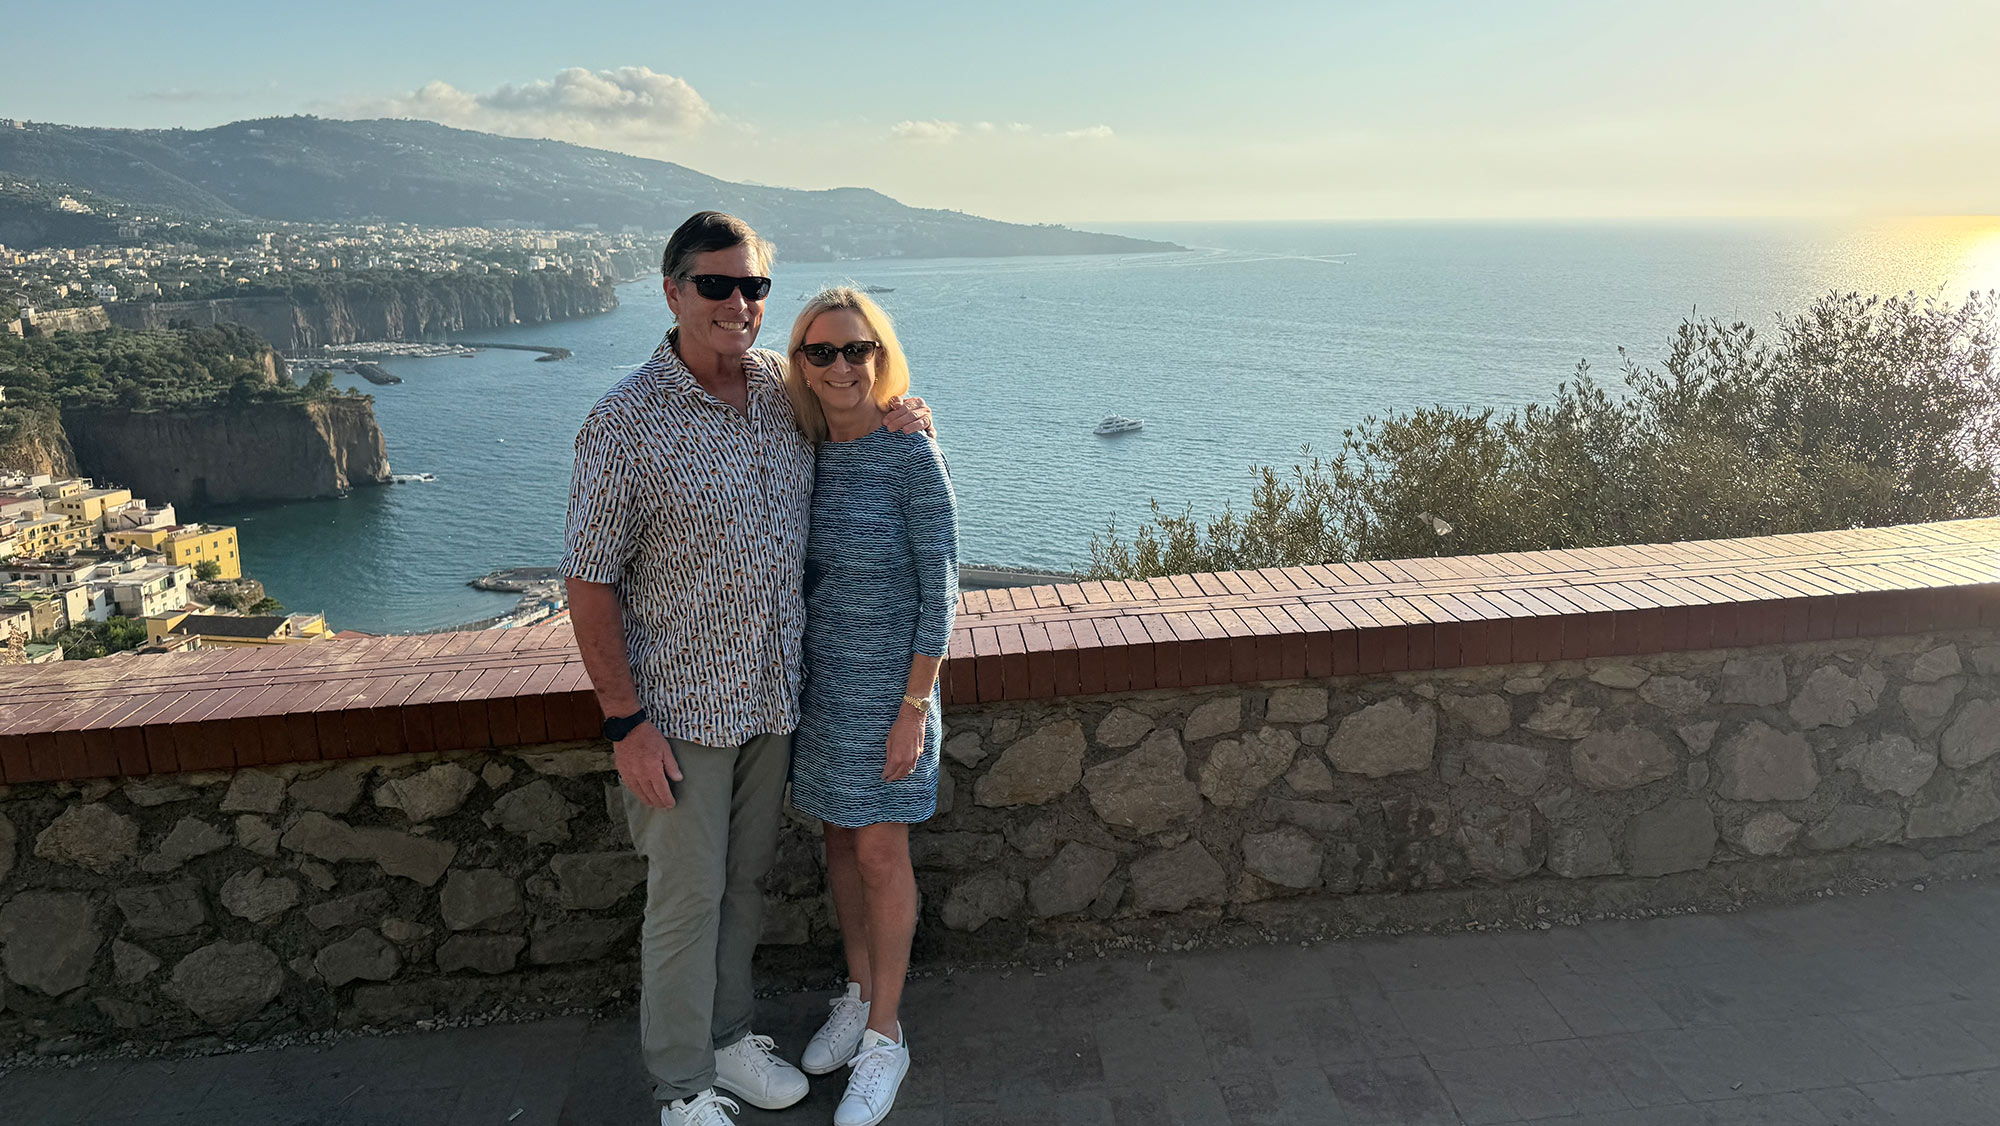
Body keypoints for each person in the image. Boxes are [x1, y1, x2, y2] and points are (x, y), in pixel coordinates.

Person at [561, 213, 931, 1126]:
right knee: (684, 904)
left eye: (754, 286)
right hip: (677, 710)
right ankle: (681, 1087)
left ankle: (728, 1039)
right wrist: (624, 721)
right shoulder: (622, 421)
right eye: (717, 285)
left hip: (771, 700)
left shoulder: (781, 390)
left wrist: (900, 412)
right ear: (673, 291)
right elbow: (588, 582)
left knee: (744, 886)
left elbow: (853, 414)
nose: (738, 303)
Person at [782, 288, 957, 1126]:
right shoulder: (798, 448)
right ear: (801, 365)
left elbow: (941, 587)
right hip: (820, 692)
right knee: (842, 846)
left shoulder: (908, 450)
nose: (843, 366)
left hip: (892, 693)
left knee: (883, 854)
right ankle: (855, 994)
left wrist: (914, 706)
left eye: (858, 350)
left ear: (881, 356)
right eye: (823, 352)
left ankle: (885, 1036)